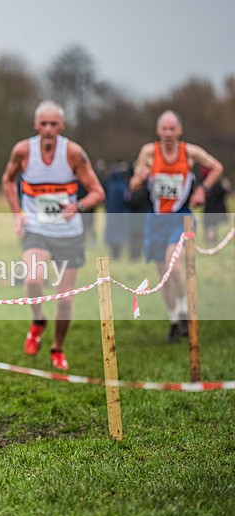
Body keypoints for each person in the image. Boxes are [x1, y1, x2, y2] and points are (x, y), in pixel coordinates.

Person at [1, 100, 105, 371]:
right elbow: (8, 180)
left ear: (62, 126)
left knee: (65, 301)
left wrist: (77, 206)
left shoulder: (73, 153)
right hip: (37, 229)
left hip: (69, 234)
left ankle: (57, 348)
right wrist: (17, 214)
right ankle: (38, 319)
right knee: (33, 279)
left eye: (53, 124)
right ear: (36, 125)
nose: (48, 129)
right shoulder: (23, 151)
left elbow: (98, 192)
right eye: (44, 124)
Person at [131, 110, 223, 342]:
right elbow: (132, 186)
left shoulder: (189, 152)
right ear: (158, 131)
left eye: (172, 129)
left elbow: (217, 167)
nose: (168, 133)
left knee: (174, 265)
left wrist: (202, 190)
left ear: (179, 131)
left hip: (180, 218)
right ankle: (174, 321)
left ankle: (184, 311)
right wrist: (139, 178)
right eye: (165, 129)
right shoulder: (148, 152)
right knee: (162, 274)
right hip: (155, 219)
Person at [103, 161, 133, 260]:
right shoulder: (122, 184)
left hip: (112, 213)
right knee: (119, 234)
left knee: (114, 234)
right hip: (120, 213)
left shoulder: (110, 183)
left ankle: (115, 254)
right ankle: (117, 253)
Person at [201, 169, 230, 245]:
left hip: (210, 208)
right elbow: (222, 192)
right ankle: (211, 242)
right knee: (211, 226)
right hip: (213, 209)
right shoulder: (214, 183)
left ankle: (210, 241)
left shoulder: (205, 183)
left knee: (211, 225)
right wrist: (226, 186)